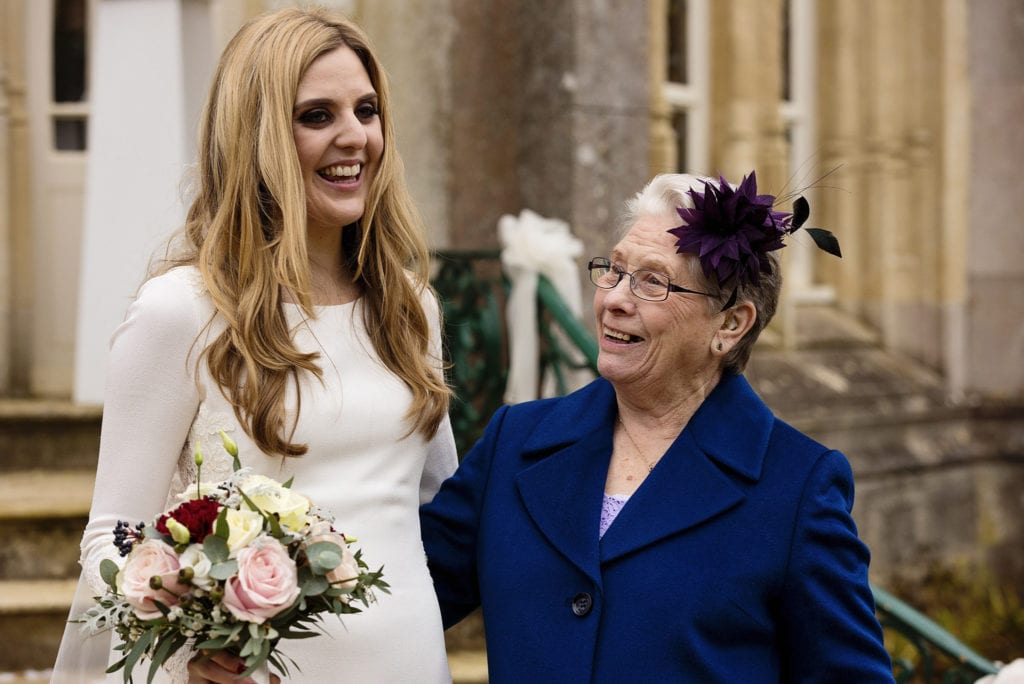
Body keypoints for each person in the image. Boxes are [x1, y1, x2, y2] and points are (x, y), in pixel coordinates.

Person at [52, 6, 457, 683]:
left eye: (366, 110)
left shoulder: (411, 307)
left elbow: (435, 504)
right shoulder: (182, 311)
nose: (355, 136)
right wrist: (189, 651)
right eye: (317, 116)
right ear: (256, 135)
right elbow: (114, 535)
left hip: (409, 662)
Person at [420, 172, 895, 682]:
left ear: (730, 324)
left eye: (653, 282)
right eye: (615, 269)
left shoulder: (796, 487)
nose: (614, 299)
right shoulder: (515, 442)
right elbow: (399, 596)